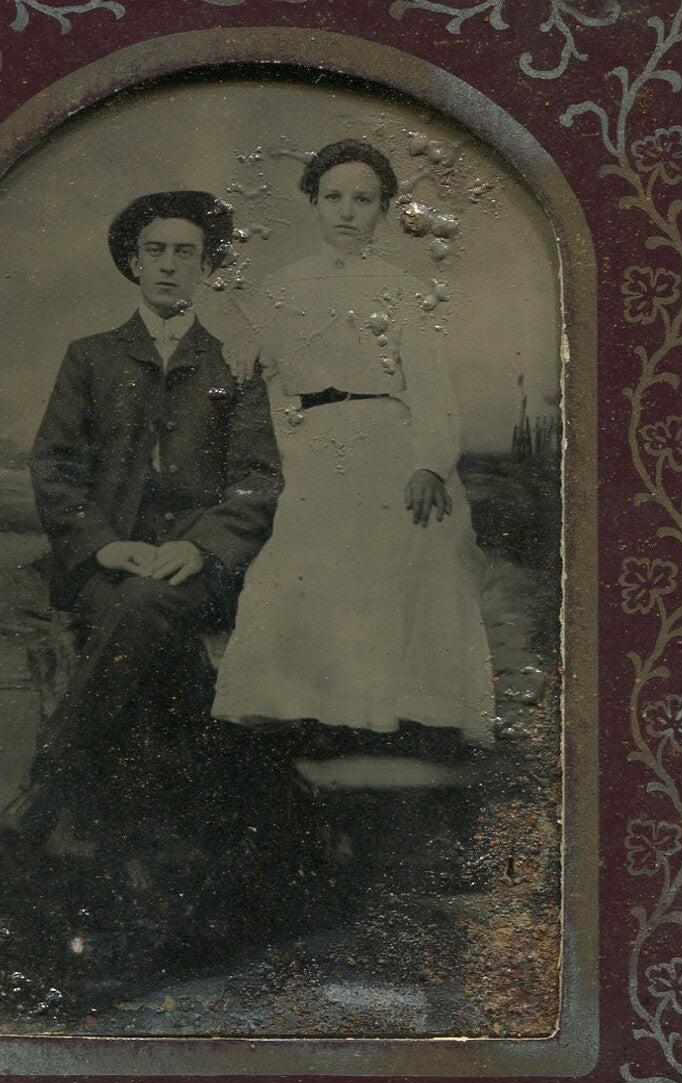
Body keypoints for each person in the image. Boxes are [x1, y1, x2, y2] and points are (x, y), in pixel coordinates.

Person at [9, 190, 283, 844]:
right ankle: (177, 835)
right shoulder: (91, 356)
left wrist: (206, 549)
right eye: (155, 251)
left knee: (140, 613)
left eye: (184, 253)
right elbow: (53, 464)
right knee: (135, 614)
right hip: (106, 566)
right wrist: (103, 546)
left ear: (206, 267)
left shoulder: (231, 364)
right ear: (134, 263)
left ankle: (49, 789)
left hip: (196, 570)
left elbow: (258, 477)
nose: (168, 266)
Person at [212, 140, 495, 743]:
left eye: (363, 200)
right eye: (333, 197)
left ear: (385, 209)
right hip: (307, 443)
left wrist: (429, 465)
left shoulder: (405, 289)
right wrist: (247, 343)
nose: (346, 211)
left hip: (389, 442)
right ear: (313, 203)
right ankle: (299, 710)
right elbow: (255, 372)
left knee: (402, 552)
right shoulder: (279, 288)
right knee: (297, 557)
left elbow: (433, 392)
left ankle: (392, 715)